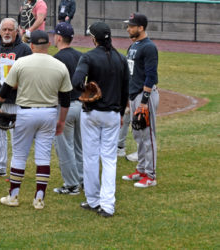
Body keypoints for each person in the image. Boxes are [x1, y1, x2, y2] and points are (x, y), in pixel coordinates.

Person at [0, 30, 72, 210]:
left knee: (20, 155)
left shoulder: (21, 63)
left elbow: (5, 91)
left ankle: (13, 196)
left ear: (31, 46)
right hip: (49, 114)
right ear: (47, 45)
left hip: (25, 113)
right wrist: (61, 121)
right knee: (43, 157)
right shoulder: (59, 65)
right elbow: (66, 100)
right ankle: (39, 198)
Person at [72, 21, 129, 217]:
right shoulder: (121, 59)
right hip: (113, 115)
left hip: (91, 113)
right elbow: (125, 90)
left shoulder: (88, 57)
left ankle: (93, 199)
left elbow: (76, 82)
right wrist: (120, 113)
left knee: (90, 157)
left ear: (94, 38)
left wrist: (83, 89)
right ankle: (107, 205)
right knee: (109, 159)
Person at [0, 17, 32, 178]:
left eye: (10, 29)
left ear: (17, 31)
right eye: (4, 29)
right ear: (0, 31)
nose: (7, 32)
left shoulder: (24, 49)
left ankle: (17, 168)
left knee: (17, 135)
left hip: (16, 99)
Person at [122, 13, 159, 188]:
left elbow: (151, 76)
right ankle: (141, 170)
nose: (128, 28)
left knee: (148, 136)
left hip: (145, 96)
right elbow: (131, 75)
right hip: (134, 94)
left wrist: (144, 101)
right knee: (138, 133)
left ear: (141, 28)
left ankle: (150, 176)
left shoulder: (149, 47)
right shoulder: (134, 46)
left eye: (131, 26)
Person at [51, 22, 83, 195]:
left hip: (66, 108)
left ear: (59, 37)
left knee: (65, 148)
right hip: (82, 107)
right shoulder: (81, 56)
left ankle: (71, 185)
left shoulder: (56, 59)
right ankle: (83, 179)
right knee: (80, 147)